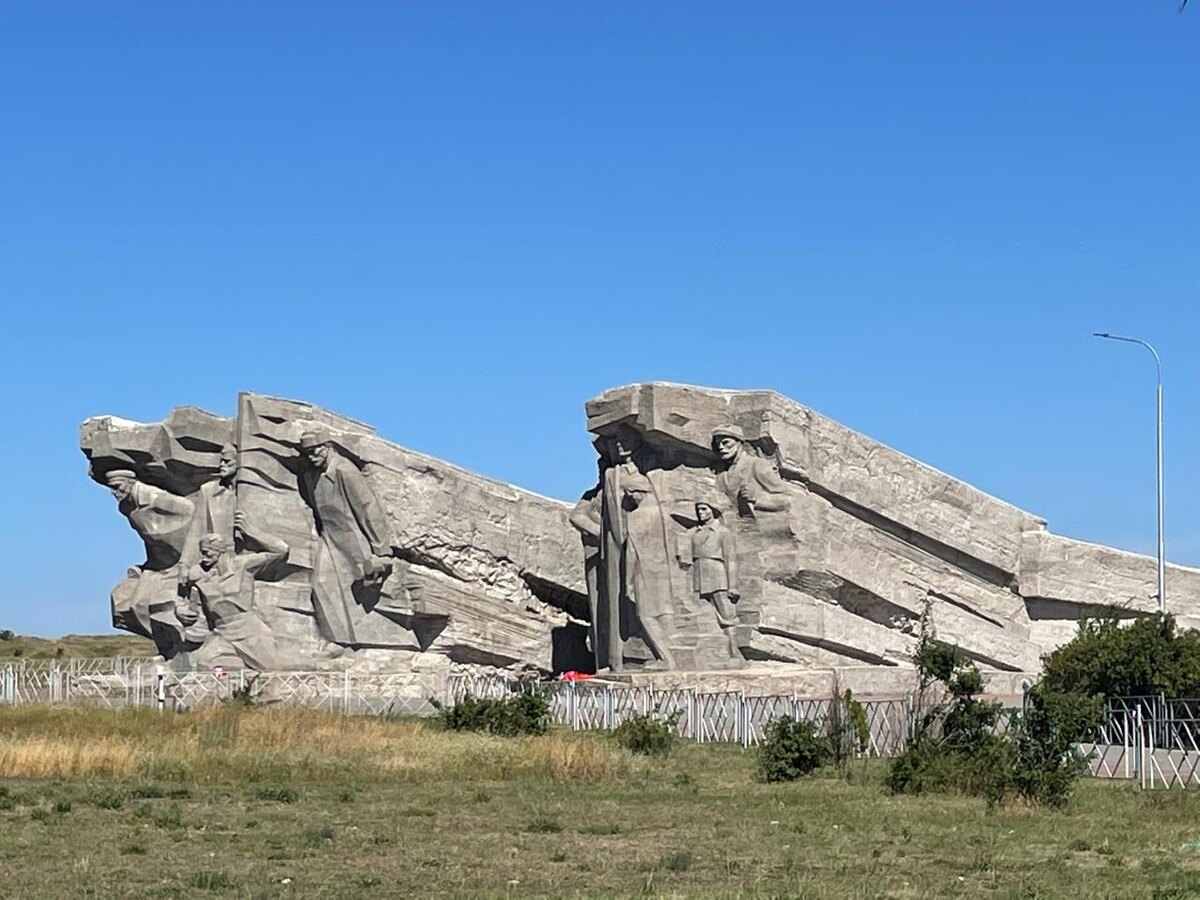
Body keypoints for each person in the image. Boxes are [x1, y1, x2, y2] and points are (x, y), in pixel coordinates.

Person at [297, 431, 395, 647]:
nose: (310, 457)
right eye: (306, 453)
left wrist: (382, 550)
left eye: (313, 451)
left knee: (364, 593)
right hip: (329, 538)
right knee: (321, 585)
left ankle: (367, 644)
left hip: (353, 539)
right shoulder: (311, 477)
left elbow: (367, 508)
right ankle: (339, 642)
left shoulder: (345, 470)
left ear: (328, 446)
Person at [597, 428, 676, 670]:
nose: (619, 446)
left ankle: (665, 657)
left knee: (650, 611)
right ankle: (628, 658)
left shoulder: (652, 470)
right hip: (622, 546)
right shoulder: (612, 474)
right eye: (617, 442)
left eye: (625, 441)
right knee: (641, 609)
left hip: (649, 560)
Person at [178, 512, 287, 670]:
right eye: (202, 553)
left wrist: (252, 531)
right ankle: (235, 683)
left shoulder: (242, 565)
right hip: (222, 631)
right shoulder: (200, 576)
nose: (203, 557)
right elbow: (189, 604)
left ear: (219, 550)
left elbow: (281, 551)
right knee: (205, 663)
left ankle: (319, 664)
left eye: (206, 552)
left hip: (248, 629)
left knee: (274, 667)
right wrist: (180, 610)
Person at [103, 469, 195, 649]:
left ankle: (183, 645)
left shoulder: (155, 497)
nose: (114, 493)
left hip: (180, 559)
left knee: (156, 605)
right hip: (158, 563)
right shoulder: (126, 507)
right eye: (111, 489)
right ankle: (170, 648)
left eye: (117, 487)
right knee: (133, 604)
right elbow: (147, 537)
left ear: (130, 483)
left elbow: (190, 511)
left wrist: (182, 546)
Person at [679, 500, 740, 627]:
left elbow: (731, 559)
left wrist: (733, 586)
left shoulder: (723, 531)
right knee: (705, 615)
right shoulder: (695, 532)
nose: (700, 512)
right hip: (698, 574)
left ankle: (733, 638)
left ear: (713, 510)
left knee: (727, 614)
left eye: (704, 509)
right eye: (698, 510)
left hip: (717, 575)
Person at [711, 425, 790, 518]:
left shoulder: (756, 464)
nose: (720, 447)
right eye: (717, 444)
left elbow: (788, 499)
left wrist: (757, 496)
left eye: (725, 442)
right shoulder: (721, 476)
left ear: (739, 442)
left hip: (759, 523)